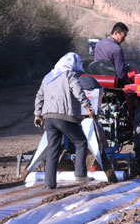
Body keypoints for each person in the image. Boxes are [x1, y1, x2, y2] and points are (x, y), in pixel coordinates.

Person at [34, 52, 94, 189]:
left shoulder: (48, 76)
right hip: (65, 116)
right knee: (81, 142)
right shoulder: (69, 75)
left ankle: (49, 183)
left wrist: (38, 114)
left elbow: (39, 96)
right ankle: (80, 174)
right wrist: (87, 106)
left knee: (52, 149)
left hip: (48, 117)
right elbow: (78, 90)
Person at [94, 22, 131, 87]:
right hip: (113, 83)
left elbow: (96, 63)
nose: (124, 40)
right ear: (116, 33)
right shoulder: (117, 49)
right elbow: (120, 74)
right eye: (123, 36)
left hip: (98, 81)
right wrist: (129, 83)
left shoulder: (98, 44)